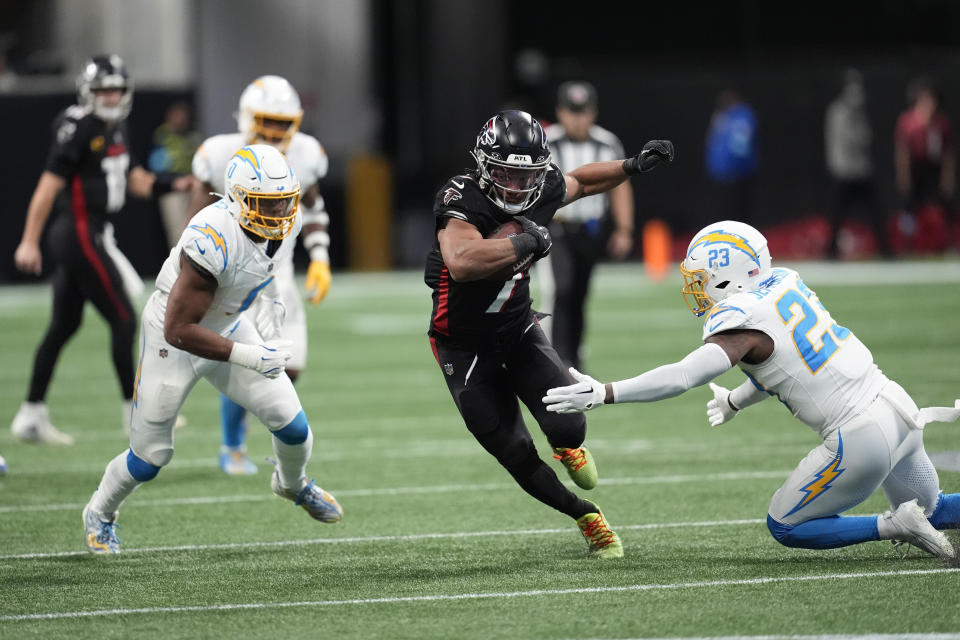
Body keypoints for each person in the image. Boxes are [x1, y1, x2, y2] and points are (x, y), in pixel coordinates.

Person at [542, 220, 960, 560]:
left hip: (861, 436)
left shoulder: (740, 318)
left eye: (703, 278)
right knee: (936, 508)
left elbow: (684, 375)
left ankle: (894, 525)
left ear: (727, 276)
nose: (697, 287)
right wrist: (736, 400)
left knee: (786, 525)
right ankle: (914, 518)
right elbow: (782, 364)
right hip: (898, 408)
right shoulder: (784, 281)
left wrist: (604, 392)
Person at [424, 109, 674, 559]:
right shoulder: (461, 197)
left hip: (518, 327)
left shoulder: (540, 188)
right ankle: (586, 515)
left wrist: (631, 166)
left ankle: (568, 447)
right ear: (484, 165)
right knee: (512, 449)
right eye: (505, 174)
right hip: (462, 346)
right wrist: (524, 242)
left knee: (569, 420)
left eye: (527, 176)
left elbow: (581, 182)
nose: (517, 187)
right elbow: (461, 261)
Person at [82, 144, 343, 554]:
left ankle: (292, 485)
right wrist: (248, 355)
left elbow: (261, 264)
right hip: (175, 342)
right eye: (266, 204)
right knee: (150, 457)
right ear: (239, 199)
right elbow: (178, 328)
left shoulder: (277, 222)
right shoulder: (211, 237)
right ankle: (100, 510)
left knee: (292, 426)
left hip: (226, 323)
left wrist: (271, 300)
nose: (278, 214)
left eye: (282, 203)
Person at [11, 54, 193, 445]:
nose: (110, 97)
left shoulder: (116, 127)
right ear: (88, 92)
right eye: (103, 90)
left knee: (64, 325)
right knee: (124, 318)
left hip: (91, 232)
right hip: (78, 233)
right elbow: (48, 186)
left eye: (116, 89)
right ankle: (136, 411)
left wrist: (174, 184)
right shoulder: (78, 127)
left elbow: (135, 181)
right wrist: (29, 239)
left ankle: (31, 413)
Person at [189, 75, 332, 475]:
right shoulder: (219, 154)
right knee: (251, 359)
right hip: (232, 269)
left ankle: (258, 427)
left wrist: (319, 257)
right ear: (248, 118)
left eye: (283, 122)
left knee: (292, 365)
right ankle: (233, 445)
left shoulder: (304, 154)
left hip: (278, 268)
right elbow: (194, 221)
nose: (275, 131)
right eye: (268, 120)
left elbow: (315, 208)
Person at [538, 81, 635, 371]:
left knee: (579, 294)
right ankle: (555, 358)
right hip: (556, 227)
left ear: (592, 113)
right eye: (572, 112)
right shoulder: (546, 141)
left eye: (583, 112)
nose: (577, 119)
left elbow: (620, 187)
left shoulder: (607, 143)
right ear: (560, 112)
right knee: (560, 290)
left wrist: (624, 229)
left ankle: (574, 359)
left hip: (591, 229)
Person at [824, 69, 889, 259]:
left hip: (861, 171)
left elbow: (867, 138)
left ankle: (885, 249)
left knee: (875, 211)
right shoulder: (838, 112)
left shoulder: (859, 113)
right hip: (844, 171)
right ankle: (831, 251)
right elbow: (851, 140)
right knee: (837, 214)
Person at [894, 76, 956, 250]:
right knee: (908, 206)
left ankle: (951, 241)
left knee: (946, 204)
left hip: (934, 168)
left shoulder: (941, 122)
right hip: (916, 168)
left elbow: (947, 153)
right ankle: (907, 242)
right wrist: (904, 175)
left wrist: (947, 177)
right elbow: (903, 151)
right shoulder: (908, 121)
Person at [148, 100, 201, 248]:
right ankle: (178, 264)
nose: (180, 119)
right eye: (177, 116)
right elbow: (155, 164)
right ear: (169, 117)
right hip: (171, 188)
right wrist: (173, 180)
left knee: (194, 226)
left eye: (183, 116)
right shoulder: (162, 135)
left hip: (192, 187)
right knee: (176, 229)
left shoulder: (193, 135)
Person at [705, 90, 758, 226]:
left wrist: (735, 169)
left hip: (737, 175)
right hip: (720, 175)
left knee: (738, 214)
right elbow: (714, 142)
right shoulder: (721, 116)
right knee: (723, 214)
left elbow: (740, 147)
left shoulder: (742, 116)